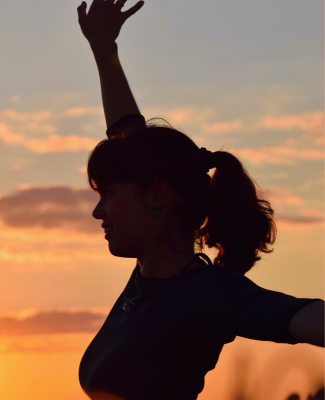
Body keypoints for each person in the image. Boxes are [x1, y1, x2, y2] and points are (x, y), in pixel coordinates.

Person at [75, 1, 325, 399]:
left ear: (157, 195)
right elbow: (132, 138)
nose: (97, 211)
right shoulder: (149, 282)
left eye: (108, 194)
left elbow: (300, 317)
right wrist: (105, 52)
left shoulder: (209, 293)